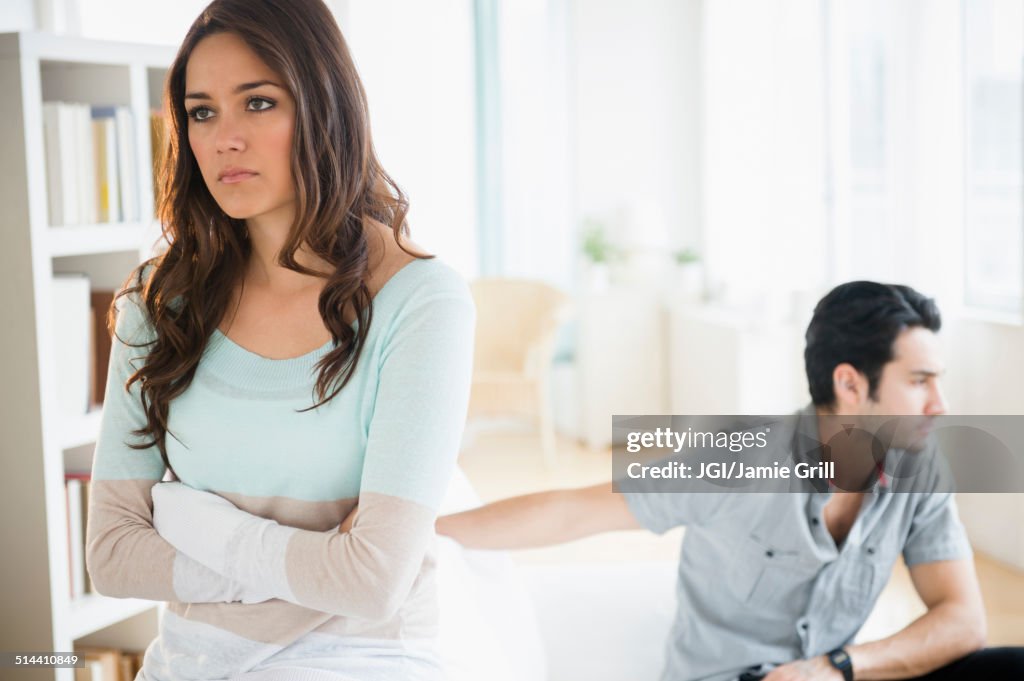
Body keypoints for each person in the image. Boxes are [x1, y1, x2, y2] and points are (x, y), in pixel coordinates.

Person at [84, 1, 474, 680]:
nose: (224, 139)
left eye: (258, 103)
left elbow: (372, 583)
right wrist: (306, 563)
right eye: (202, 111)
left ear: (327, 107)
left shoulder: (420, 303)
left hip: (363, 654)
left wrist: (195, 524)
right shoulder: (159, 302)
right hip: (191, 657)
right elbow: (112, 553)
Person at [438, 281, 1024, 681]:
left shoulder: (918, 466)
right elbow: (575, 510)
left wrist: (840, 666)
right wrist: (429, 530)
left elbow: (963, 619)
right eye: (920, 381)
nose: (940, 405)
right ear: (849, 383)